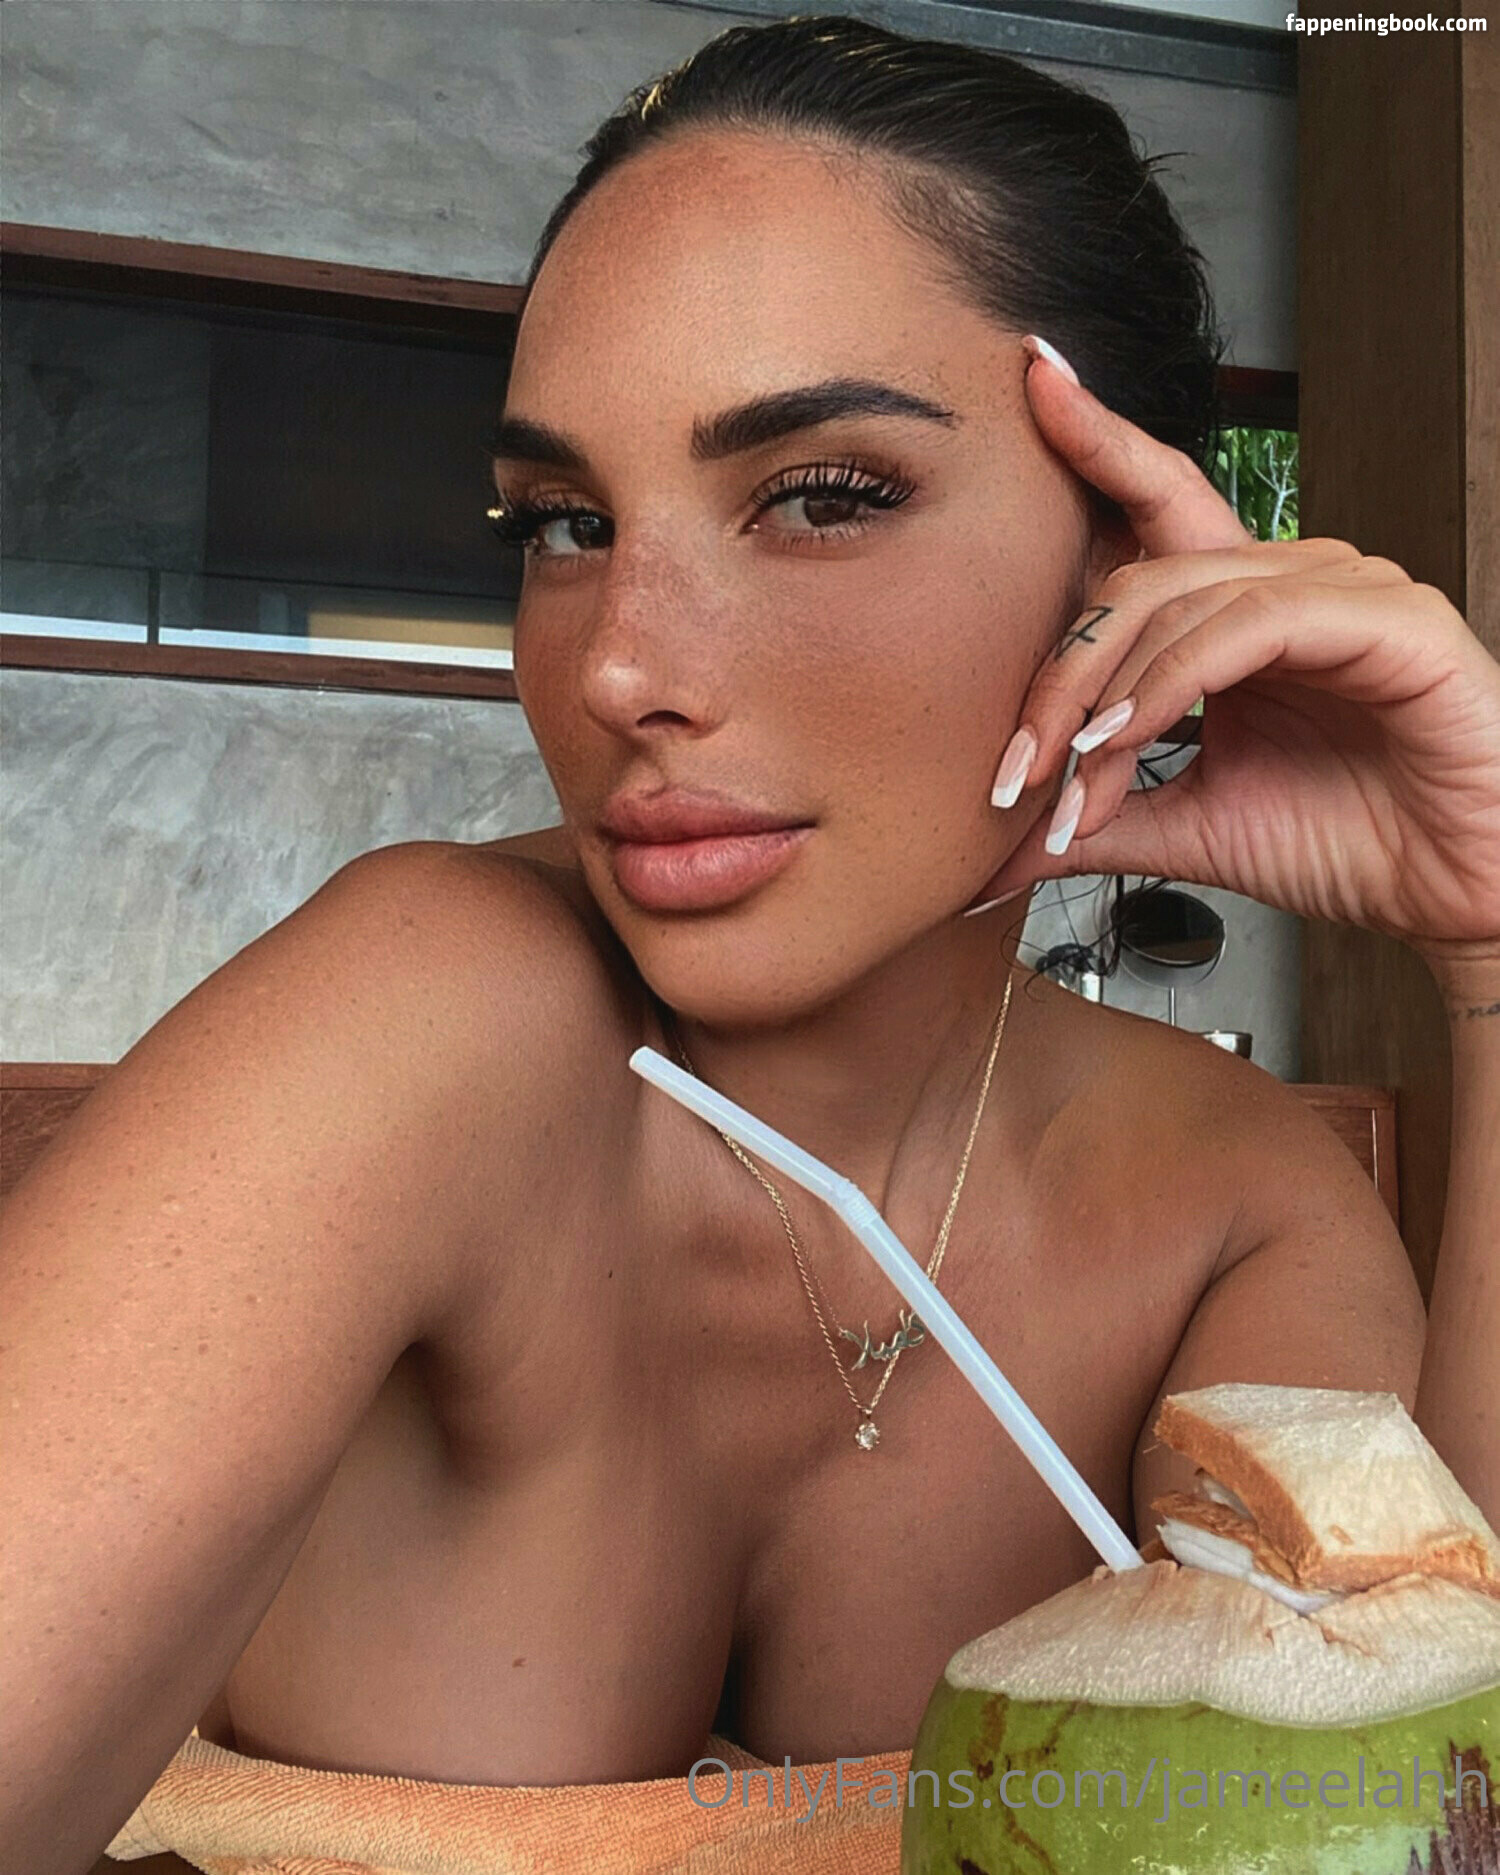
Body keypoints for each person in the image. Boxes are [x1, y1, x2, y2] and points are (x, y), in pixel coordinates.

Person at [5, 14, 1499, 1872]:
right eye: (563, 524)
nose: (619, 665)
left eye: (819, 496)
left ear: (1134, 566)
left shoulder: (1236, 1207)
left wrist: (1494, 942)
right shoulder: (426, 1013)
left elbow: (1434, 1794)